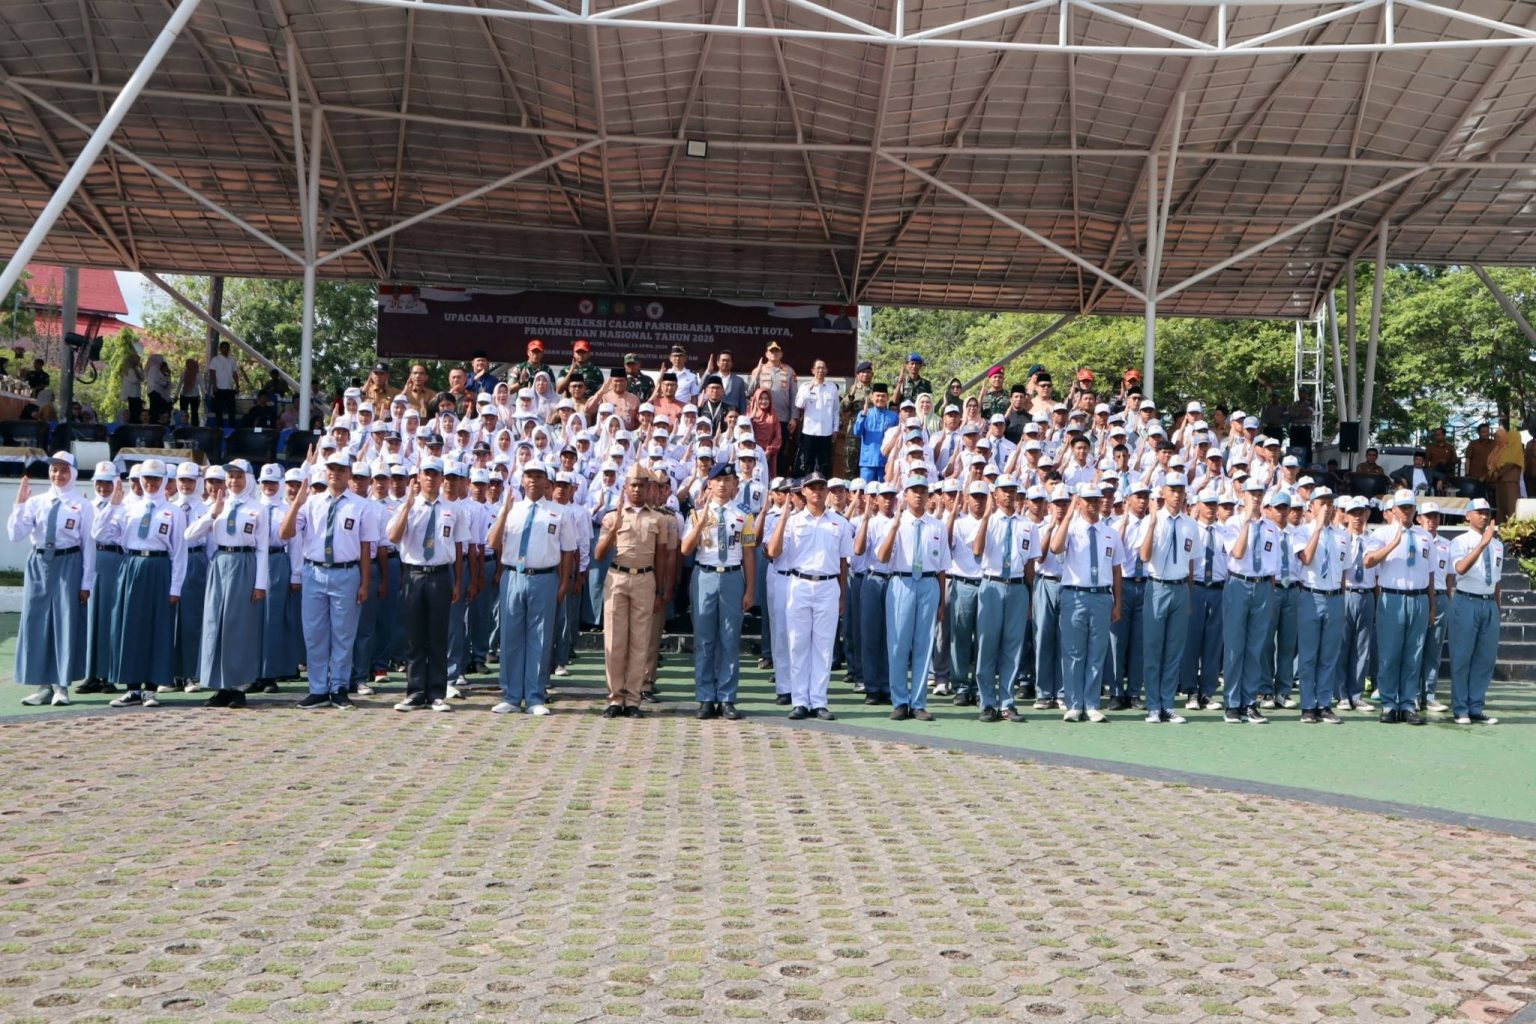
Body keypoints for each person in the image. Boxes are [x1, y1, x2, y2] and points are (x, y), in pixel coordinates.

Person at [281, 450, 377, 710]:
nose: (335, 473)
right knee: (315, 634)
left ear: (349, 474)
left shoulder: (361, 505)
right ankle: (318, 689)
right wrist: (296, 504)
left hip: (346, 572)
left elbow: (366, 547)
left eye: (341, 469)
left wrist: (365, 583)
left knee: (344, 635)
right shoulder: (311, 503)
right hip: (314, 571)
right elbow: (285, 533)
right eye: (331, 468)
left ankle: (339, 687)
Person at [488, 461, 577, 714]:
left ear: (547, 482)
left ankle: (535, 697)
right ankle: (511, 696)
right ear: (522, 480)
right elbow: (493, 542)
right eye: (529, 476)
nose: (534, 481)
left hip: (545, 577)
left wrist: (564, 582)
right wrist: (504, 512)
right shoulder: (512, 509)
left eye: (539, 476)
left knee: (540, 637)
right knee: (510, 636)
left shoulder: (559, 512)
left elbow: (568, 551)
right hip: (513, 576)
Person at [7, 453, 95, 707]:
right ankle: (43, 685)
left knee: (64, 623)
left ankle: (61, 685)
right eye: (54, 470)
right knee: (36, 622)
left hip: (69, 563)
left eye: (64, 470)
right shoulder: (36, 502)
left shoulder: (82, 505)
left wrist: (86, 583)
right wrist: (19, 504)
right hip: (39, 564)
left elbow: (88, 546)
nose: (58, 475)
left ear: (73, 473)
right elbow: (15, 534)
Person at [765, 471, 850, 720]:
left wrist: (842, 595)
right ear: (803, 491)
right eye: (812, 487)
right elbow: (773, 551)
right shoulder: (793, 521)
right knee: (797, 643)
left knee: (823, 646)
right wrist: (783, 518)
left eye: (822, 487)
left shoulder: (840, 523)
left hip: (828, 585)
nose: (817, 492)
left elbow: (843, 562)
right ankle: (800, 700)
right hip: (799, 583)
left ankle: (819, 701)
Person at [387, 457, 466, 713]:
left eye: (435, 474)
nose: (431, 478)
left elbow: (459, 547)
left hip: (441, 575)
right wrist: (408, 506)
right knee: (414, 636)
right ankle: (415, 691)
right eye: (426, 474)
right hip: (414, 574)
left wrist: (458, 581)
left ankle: (436, 693)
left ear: (442, 478)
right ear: (418, 477)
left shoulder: (453, 509)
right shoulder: (407, 506)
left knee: (438, 636)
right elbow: (393, 537)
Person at [107, 460, 188, 708]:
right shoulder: (128, 508)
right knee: (130, 626)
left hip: (159, 567)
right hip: (132, 565)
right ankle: (132, 688)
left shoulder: (174, 512)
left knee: (158, 627)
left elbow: (179, 552)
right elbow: (99, 533)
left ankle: (151, 689)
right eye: (146, 478)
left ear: (164, 481)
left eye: (155, 478)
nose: (150, 483)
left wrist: (175, 587)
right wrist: (112, 506)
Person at [189, 460, 269, 708]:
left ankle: (238, 687)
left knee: (239, 625)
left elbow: (262, 548)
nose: (234, 481)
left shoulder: (258, 509)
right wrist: (213, 513)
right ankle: (220, 685)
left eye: (239, 477)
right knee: (216, 623)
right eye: (230, 477)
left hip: (245, 563)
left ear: (249, 479)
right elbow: (189, 535)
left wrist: (260, 583)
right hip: (220, 561)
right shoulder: (215, 506)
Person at [679, 462, 755, 720]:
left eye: (727, 480)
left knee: (730, 639)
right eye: (717, 480)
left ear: (734, 485)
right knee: (704, 639)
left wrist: (750, 589)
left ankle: (727, 697)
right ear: (709, 484)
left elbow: (748, 553)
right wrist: (700, 524)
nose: (722, 485)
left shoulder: (744, 515)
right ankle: (705, 697)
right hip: (705, 575)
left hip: (732, 576)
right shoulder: (696, 514)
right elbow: (685, 549)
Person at [594, 464, 671, 717]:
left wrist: (660, 592)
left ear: (649, 489)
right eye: (633, 485)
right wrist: (614, 528)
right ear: (625, 488)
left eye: (641, 485)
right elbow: (598, 554)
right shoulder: (612, 516)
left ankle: (633, 700)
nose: (637, 490)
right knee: (615, 640)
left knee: (640, 641)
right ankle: (615, 698)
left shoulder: (658, 519)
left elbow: (661, 557)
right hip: (617, 577)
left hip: (645, 579)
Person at [874, 476, 946, 721]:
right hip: (901, 581)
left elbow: (942, 566)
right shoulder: (895, 522)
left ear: (929, 496)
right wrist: (894, 528)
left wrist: (941, 600)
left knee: (924, 645)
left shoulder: (937, 526)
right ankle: (899, 700)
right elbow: (882, 557)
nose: (918, 495)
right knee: (898, 644)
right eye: (914, 490)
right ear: (905, 495)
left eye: (923, 491)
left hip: (928, 583)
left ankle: (918, 702)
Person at [1049, 484, 1124, 722]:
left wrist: (1118, 602)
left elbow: (1117, 570)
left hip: (1102, 596)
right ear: (1079, 501)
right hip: (1075, 595)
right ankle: (1074, 703)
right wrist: (1068, 514)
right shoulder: (1070, 528)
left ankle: (1091, 703)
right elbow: (1055, 547)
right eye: (1088, 499)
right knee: (1073, 652)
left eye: (1096, 499)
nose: (1093, 504)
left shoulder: (1110, 533)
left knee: (1097, 652)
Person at [1363, 490, 1432, 724]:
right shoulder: (1382, 534)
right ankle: (1389, 703)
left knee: (1414, 654)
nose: (1405, 511)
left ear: (1415, 509)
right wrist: (1393, 544)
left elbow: (1431, 573)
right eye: (1401, 507)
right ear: (1393, 510)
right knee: (1390, 653)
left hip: (1419, 597)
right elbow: (1368, 561)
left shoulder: (1425, 536)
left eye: (1409, 507)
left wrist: (1431, 605)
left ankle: (1408, 703)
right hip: (1392, 597)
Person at [972, 475, 1034, 722]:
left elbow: (1029, 565)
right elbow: (977, 550)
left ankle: (1007, 703)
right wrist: (986, 517)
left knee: (1013, 648)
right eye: (1003, 490)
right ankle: (987, 702)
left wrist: (1030, 597)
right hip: (992, 584)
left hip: (1017, 586)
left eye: (1012, 490)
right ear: (995, 494)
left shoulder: (1027, 525)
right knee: (987, 645)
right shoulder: (988, 521)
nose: (1008, 494)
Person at [1220, 482, 1280, 724]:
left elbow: (1273, 566)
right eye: (1251, 494)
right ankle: (1232, 703)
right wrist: (1247, 522)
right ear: (1242, 495)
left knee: (1256, 647)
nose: (1256, 498)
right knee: (1235, 647)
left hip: (1263, 586)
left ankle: (1249, 702)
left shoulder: (1271, 527)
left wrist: (1270, 594)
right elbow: (1237, 552)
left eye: (1259, 494)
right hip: (1239, 584)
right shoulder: (1232, 523)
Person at [1139, 474, 1196, 723]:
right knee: (1153, 648)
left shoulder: (1190, 524)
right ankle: (1153, 704)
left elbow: (1191, 562)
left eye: (1180, 490)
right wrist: (1152, 522)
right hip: (1157, 587)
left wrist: (1189, 595)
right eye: (1172, 489)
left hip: (1180, 588)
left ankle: (1167, 704)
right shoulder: (1152, 520)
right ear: (1163, 492)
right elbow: (1144, 556)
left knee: (1174, 650)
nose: (1176, 494)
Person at [1292, 487, 1346, 723]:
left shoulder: (1342, 535)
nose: (1327, 507)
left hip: (1335, 597)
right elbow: (1306, 558)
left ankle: (1324, 704)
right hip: (1311, 596)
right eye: (1322, 503)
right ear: (1311, 506)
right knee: (1308, 655)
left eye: (1330, 503)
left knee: (1329, 655)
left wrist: (1341, 595)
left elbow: (1344, 570)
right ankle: (1308, 705)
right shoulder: (1302, 531)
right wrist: (1318, 528)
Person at [1448, 498, 1501, 725]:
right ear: (1467, 516)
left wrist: (1497, 608)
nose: (1484, 516)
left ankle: (1476, 707)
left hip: (1489, 604)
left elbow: (1497, 580)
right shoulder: (1460, 541)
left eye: (1487, 512)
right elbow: (1460, 568)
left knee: (1485, 659)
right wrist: (1482, 544)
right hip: (1466, 601)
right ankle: (1460, 708)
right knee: (1462, 657)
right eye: (1479, 512)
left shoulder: (1497, 545)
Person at [79, 461, 124, 695]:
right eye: (100, 483)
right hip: (90, 559)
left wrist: (113, 507)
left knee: (109, 618)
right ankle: (90, 674)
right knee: (89, 618)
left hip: (113, 560)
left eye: (108, 483)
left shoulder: (124, 507)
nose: (104, 488)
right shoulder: (86, 506)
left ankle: (108, 675)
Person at [793, 359, 840, 477]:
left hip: (826, 432)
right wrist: (809, 389)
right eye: (818, 368)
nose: (821, 370)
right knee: (807, 462)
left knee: (824, 463)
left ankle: (823, 484)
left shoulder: (832, 387)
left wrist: (835, 428)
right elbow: (799, 404)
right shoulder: (805, 386)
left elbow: (835, 410)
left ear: (827, 370)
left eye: (823, 368)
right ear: (813, 370)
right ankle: (808, 484)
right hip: (809, 431)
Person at [1488, 423, 1524, 522]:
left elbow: (1509, 464)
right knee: (1501, 507)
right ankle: (1501, 526)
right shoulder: (1501, 449)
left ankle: (1513, 527)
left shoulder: (1515, 450)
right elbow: (1494, 463)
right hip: (1500, 481)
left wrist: (1499, 474)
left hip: (1510, 481)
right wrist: (1495, 472)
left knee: (1511, 507)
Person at [206, 341, 244, 428]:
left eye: (227, 347)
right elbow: (212, 373)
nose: (225, 349)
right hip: (219, 388)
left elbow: (235, 373)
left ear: (229, 349)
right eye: (223, 347)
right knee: (218, 410)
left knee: (232, 409)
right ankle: (220, 428)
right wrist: (214, 385)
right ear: (220, 349)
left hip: (229, 389)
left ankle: (232, 427)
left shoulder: (232, 360)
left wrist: (237, 385)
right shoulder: (215, 359)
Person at [120, 350, 145, 425]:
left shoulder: (136, 369)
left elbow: (143, 378)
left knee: (137, 410)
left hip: (136, 394)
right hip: (131, 394)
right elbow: (135, 380)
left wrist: (141, 369)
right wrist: (139, 379)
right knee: (135, 412)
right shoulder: (129, 370)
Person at [178, 358, 202, 425]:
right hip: (184, 396)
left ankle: (195, 428)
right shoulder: (184, 373)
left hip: (194, 396)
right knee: (183, 413)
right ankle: (183, 426)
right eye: (187, 364)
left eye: (189, 364)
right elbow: (180, 384)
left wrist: (204, 396)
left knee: (194, 413)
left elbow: (202, 386)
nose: (187, 366)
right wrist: (176, 395)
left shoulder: (198, 374)